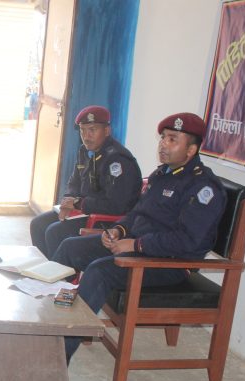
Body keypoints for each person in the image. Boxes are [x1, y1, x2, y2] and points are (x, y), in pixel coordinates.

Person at [51, 113, 227, 364]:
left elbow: (187, 241)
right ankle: (50, 325)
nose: (163, 144)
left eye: (172, 139)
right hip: (137, 248)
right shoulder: (162, 175)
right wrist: (118, 231)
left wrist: (136, 244)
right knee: (70, 248)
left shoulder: (203, 187)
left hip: (169, 264)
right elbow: (137, 214)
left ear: (191, 149)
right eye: (163, 138)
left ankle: (58, 355)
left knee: (99, 271)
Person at [30, 105, 142, 259]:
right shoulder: (85, 151)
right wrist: (68, 200)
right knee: (37, 224)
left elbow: (117, 205)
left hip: (106, 219)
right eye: (82, 130)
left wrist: (79, 203)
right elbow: (74, 182)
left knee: (54, 232)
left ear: (107, 131)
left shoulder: (117, 160)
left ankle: (60, 273)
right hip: (83, 211)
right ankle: (47, 268)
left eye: (92, 130)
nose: (86, 136)